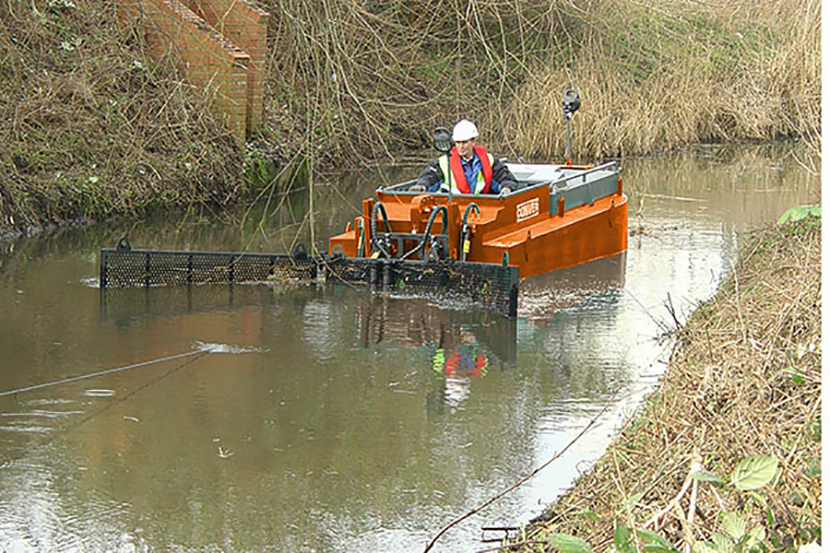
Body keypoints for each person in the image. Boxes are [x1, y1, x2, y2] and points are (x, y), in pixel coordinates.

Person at [412, 119, 517, 194]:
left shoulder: (489, 160)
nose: (461, 146)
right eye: (458, 142)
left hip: (481, 207)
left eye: (464, 142)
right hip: (453, 209)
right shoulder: (444, 162)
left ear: (473, 142)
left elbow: (505, 178)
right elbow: (430, 177)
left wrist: (506, 188)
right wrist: (421, 185)